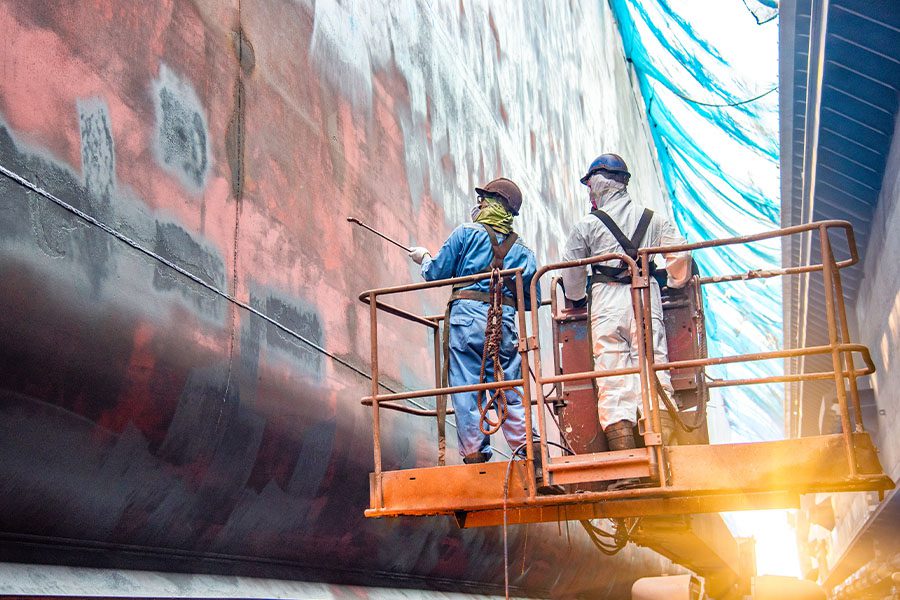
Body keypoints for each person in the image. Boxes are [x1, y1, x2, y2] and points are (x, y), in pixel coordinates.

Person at [561, 154, 690, 487]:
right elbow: (680, 256)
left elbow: (572, 271)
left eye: (590, 186)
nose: (589, 194)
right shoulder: (654, 220)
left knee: (613, 376)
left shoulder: (587, 226)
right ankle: (660, 461)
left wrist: (576, 298)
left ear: (599, 185)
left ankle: (628, 468)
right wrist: (673, 282)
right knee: (653, 368)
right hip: (645, 295)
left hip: (605, 301)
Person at [408, 178, 541, 466]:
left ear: (488, 203)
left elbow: (436, 273)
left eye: (482, 201)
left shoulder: (466, 234)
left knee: (467, 386)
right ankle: (531, 451)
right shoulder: (523, 251)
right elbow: (532, 300)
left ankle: (475, 454)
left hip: (466, 322)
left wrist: (424, 258)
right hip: (503, 324)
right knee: (510, 387)